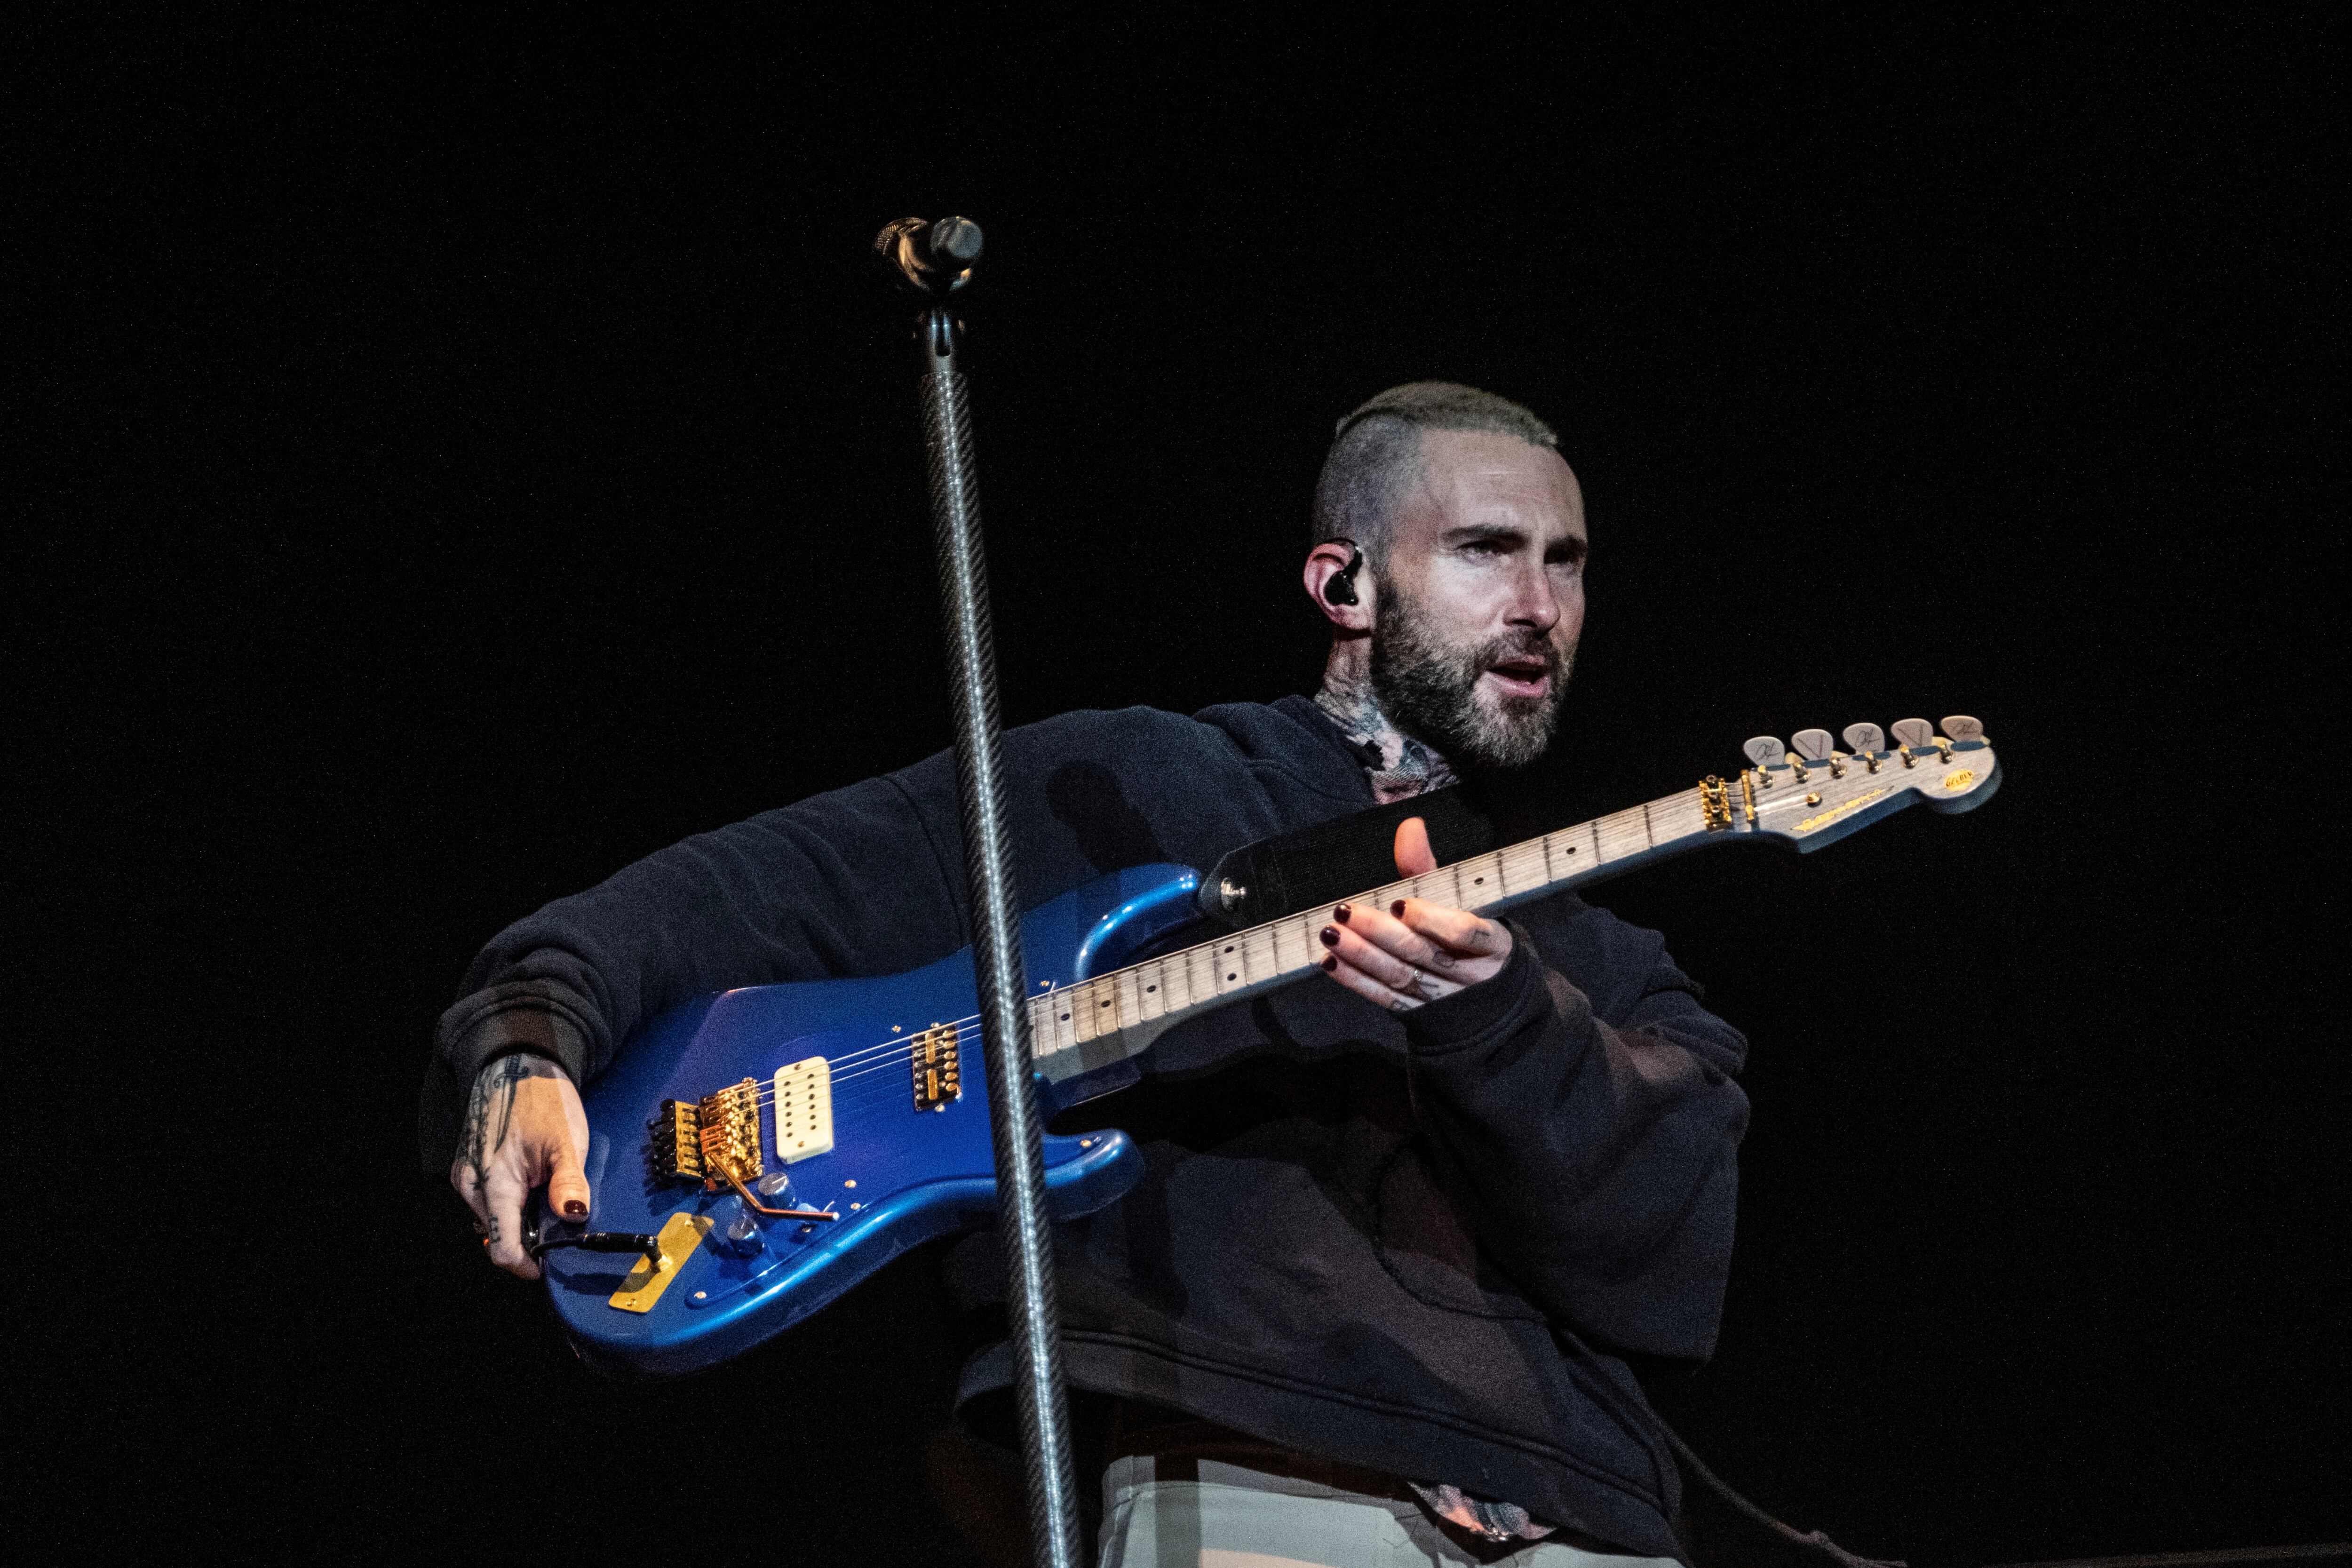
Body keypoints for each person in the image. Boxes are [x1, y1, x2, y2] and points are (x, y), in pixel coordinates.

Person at [425, 382, 1749, 1567]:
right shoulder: (1126, 783)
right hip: (1253, 1465)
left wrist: (1506, 1012)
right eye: (1487, 552)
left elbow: (1662, 1259)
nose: (1539, 607)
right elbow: (759, 892)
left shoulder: (1600, 950)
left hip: (1585, 1515)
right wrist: (532, 1035)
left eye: (1566, 563)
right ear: (1344, 587)